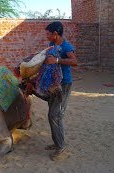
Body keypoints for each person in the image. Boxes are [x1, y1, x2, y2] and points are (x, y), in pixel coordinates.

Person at [28, 21, 77, 161]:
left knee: (55, 116)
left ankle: (61, 147)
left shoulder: (66, 46)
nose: (46, 36)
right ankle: (57, 143)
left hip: (64, 85)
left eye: (48, 34)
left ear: (55, 34)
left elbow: (74, 61)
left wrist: (56, 60)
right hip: (53, 84)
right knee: (52, 112)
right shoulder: (51, 45)